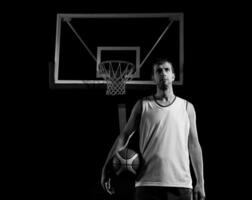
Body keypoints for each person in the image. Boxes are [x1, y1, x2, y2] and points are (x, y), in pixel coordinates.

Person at [101, 59, 205, 200]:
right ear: (153, 78)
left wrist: (201, 182)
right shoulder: (142, 105)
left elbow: (194, 145)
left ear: (173, 76)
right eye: (159, 70)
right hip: (147, 183)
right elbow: (123, 137)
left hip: (181, 184)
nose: (163, 73)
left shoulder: (187, 107)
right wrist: (106, 168)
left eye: (167, 70)